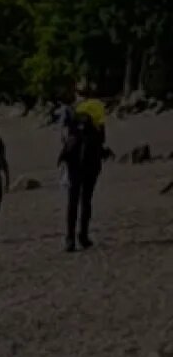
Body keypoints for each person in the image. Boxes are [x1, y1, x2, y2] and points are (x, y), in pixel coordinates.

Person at [59, 107, 107, 252]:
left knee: (72, 203)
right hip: (91, 167)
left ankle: (70, 239)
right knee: (86, 201)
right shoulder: (97, 120)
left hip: (74, 167)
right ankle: (83, 236)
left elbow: (64, 139)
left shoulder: (72, 117)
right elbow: (102, 141)